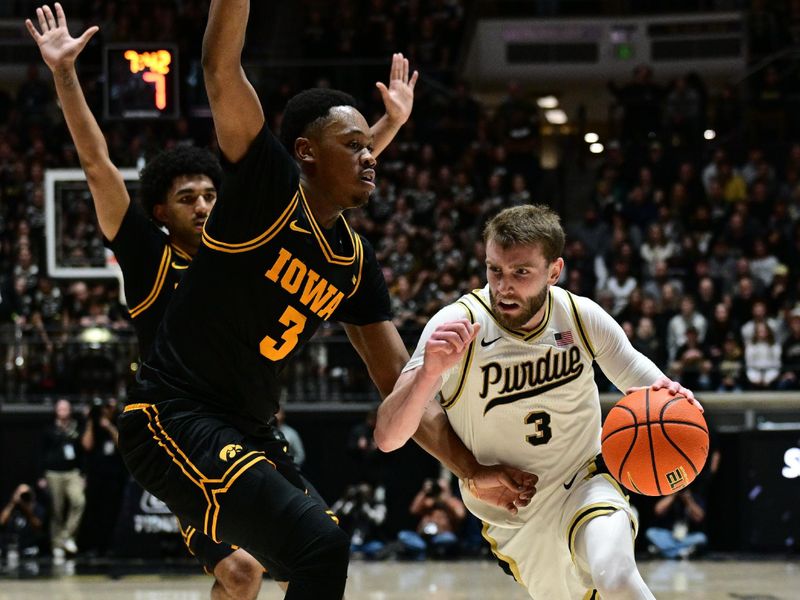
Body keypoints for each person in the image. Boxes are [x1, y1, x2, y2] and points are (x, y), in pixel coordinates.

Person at [114, 1, 535, 598]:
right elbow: (218, 66)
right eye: (355, 145)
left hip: (250, 429)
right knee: (318, 546)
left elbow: (403, 386)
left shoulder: (356, 264)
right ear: (305, 153)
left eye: (373, 146)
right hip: (175, 414)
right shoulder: (265, 192)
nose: (371, 156)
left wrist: (472, 470)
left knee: (316, 554)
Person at [375, 204, 703, 599]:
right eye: (494, 270)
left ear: (554, 271)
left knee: (615, 576)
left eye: (520, 273)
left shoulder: (581, 317)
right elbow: (388, 437)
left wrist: (678, 400)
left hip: (585, 481)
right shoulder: (455, 327)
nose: (503, 286)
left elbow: (653, 388)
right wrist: (429, 374)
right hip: (512, 512)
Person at [41, 398, 84, 557]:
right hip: (53, 473)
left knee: (79, 501)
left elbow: (81, 452)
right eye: (60, 408)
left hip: (72, 472)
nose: (63, 410)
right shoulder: (49, 429)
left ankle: (67, 536)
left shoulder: (76, 428)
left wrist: (82, 473)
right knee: (57, 509)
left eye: (66, 408)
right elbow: (41, 453)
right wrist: (42, 475)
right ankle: (57, 544)